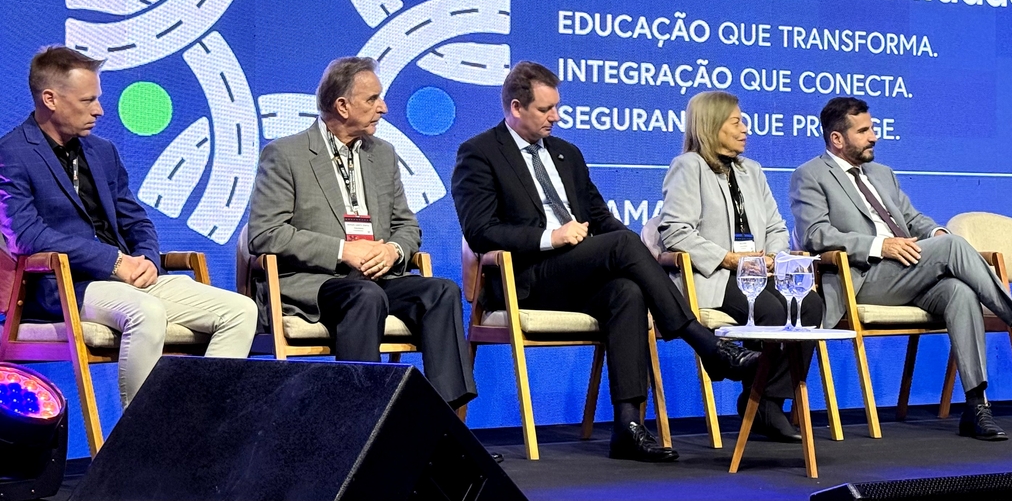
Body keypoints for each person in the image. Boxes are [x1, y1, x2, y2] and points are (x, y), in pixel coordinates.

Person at [451, 61, 758, 462]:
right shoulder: (479, 153)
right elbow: (480, 231)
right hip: (524, 277)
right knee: (622, 246)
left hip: (576, 273)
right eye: (545, 109)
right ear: (516, 107)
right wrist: (550, 237)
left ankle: (627, 426)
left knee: (627, 290)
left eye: (557, 107)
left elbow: (601, 218)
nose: (555, 116)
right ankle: (705, 344)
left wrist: (640, 255)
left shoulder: (566, 153)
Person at [789, 96, 1012, 441]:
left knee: (959, 291)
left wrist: (935, 232)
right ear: (837, 138)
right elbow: (815, 234)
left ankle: (976, 407)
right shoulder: (810, 175)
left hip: (908, 272)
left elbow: (912, 219)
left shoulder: (882, 174)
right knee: (953, 247)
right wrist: (879, 245)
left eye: (873, 128)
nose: (874, 136)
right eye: (863, 131)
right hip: (862, 277)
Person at [0, 46, 256, 407]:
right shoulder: (12, 152)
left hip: (127, 279)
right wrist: (114, 261)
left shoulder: (102, 151)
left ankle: (198, 425)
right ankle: (141, 435)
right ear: (50, 99)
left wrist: (147, 258)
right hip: (66, 287)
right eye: (88, 100)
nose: (99, 110)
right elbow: (26, 235)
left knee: (240, 311)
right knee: (146, 312)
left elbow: (135, 219)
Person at [248, 56, 477, 410]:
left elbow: (407, 226)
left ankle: (443, 420)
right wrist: (343, 250)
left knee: (441, 291)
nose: (383, 108)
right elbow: (265, 233)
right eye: (372, 99)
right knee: (365, 297)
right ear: (342, 106)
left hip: (377, 277)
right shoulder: (286, 154)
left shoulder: (382, 154)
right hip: (316, 284)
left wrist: (392, 251)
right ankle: (361, 415)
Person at [659, 91, 823, 442]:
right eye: (736, 122)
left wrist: (774, 259)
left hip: (758, 271)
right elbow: (675, 231)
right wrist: (730, 258)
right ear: (712, 125)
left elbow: (776, 226)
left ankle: (765, 400)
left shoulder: (753, 171)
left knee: (809, 304)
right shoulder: (689, 167)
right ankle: (764, 405)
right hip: (715, 275)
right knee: (769, 310)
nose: (745, 129)